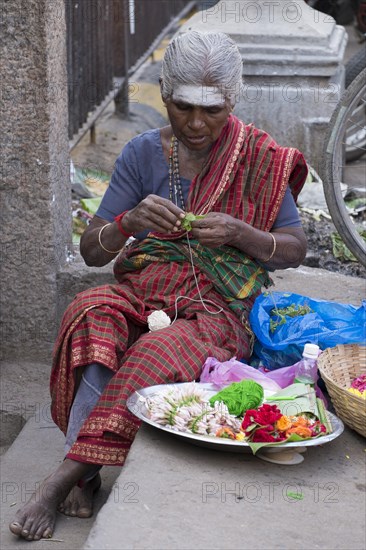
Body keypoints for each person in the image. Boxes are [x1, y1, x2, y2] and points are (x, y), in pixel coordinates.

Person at [10, 30, 308, 541]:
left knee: (156, 349)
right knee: (91, 313)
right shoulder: (144, 153)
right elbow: (92, 251)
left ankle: (64, 477)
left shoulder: (256, 155)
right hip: (144, 288)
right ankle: (89, 466)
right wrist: (129, 222)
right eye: (182, 106)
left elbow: (296, 247)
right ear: (165, 95)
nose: (195, 123)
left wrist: (242, 234)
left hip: (217, 308)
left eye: (211, 110)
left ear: (231, 102)